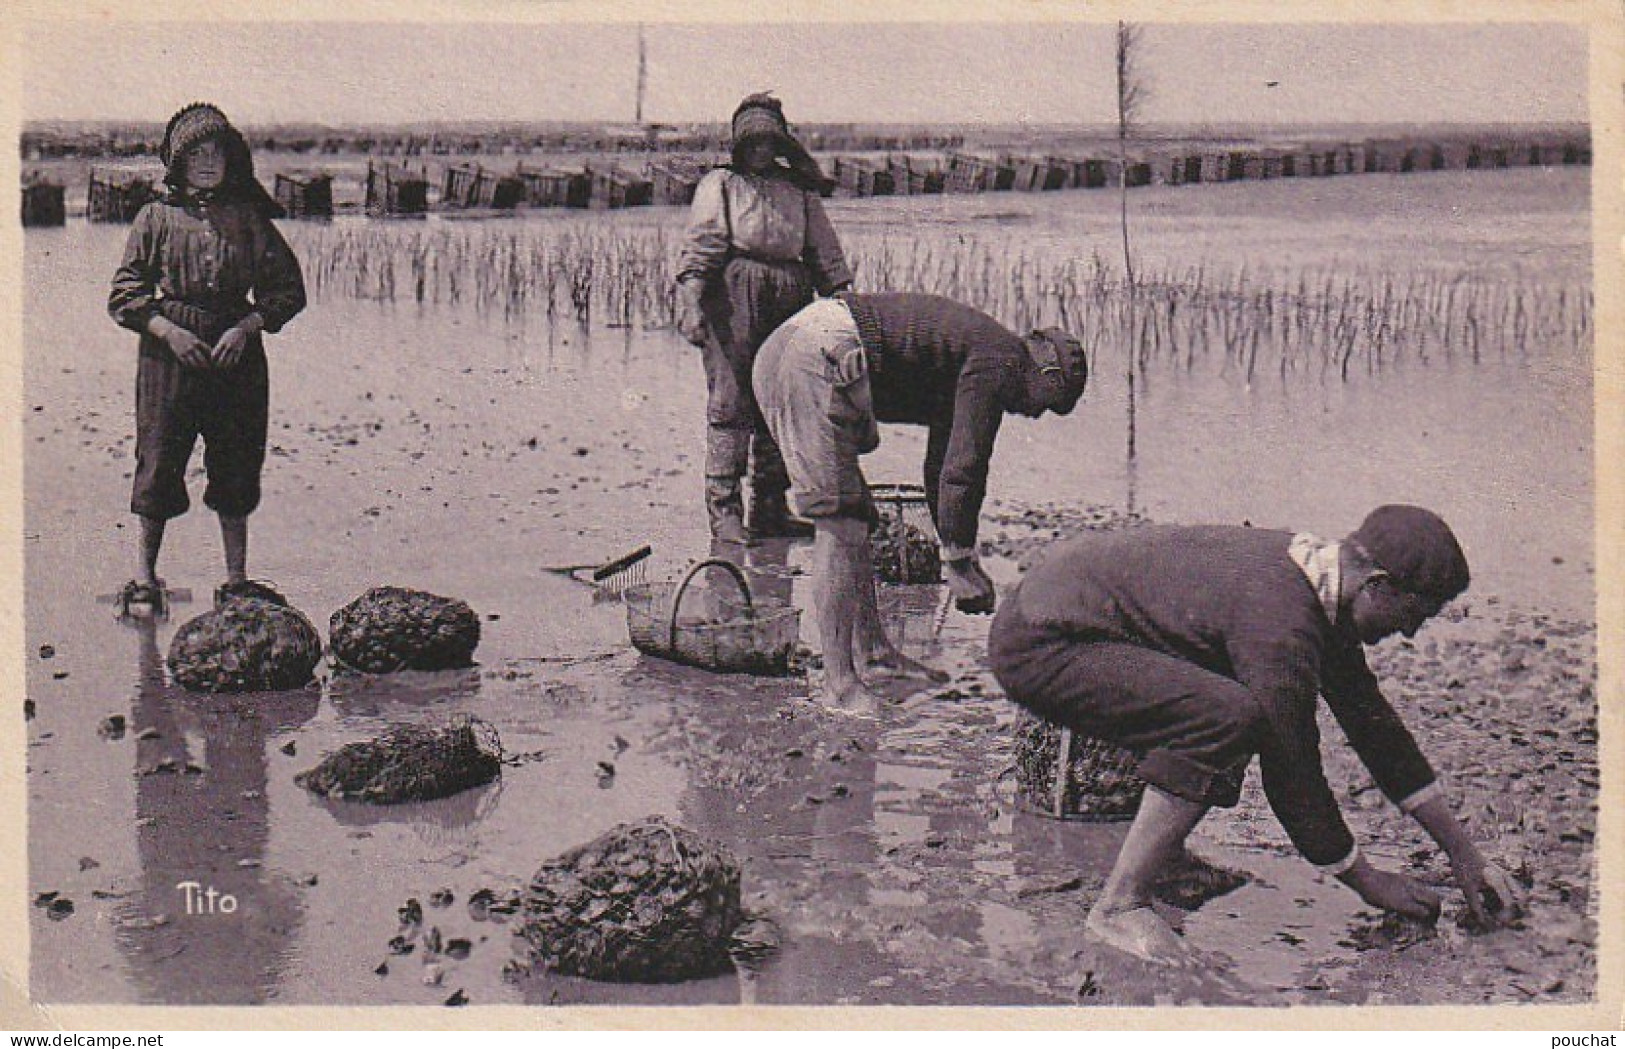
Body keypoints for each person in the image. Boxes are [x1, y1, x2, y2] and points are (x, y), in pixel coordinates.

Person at [987, 506, 1526, 965]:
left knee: (1223, 699)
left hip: (1077, 618)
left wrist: (1464, 855)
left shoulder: (1322, 580)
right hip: (1041, 641)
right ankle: (1119, 907)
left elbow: (1374, 726)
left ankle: (1162, 859)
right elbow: (1292, 773)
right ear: (1378, 586)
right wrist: (1367, 881)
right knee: (1230, 715)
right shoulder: (1283, 621)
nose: (1408, 633)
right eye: (1414, 615)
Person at [753, 292, 1089, 712]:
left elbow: (942, 465)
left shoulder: (979, 354)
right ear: (1049, 372)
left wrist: (958, 553)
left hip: (809, 347)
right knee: (837, 523)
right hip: (815, 356)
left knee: (855, 516)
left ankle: (873, 656)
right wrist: (959, 563)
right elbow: (965, 469)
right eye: (1051, 403)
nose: (1038, 415)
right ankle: (839, 688)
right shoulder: (1002, 358)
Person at [109, 103, 306, 612]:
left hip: (236, 359)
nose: (206, 163)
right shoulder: (155, 218)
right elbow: (125, 294)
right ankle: (145, 579)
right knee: (158, 460)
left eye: (215, 153)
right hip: (168, 360)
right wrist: (168, 332)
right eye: (195, 153)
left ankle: (236, 580)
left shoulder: (249, 218)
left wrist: (247, 326)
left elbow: (287, 289)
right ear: (177, 161)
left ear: (231, 159)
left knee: (237, 463)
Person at [675, 94, 853, 544]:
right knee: (731, 402)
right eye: (751, 143)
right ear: (739, 146)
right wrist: (692, 299)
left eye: (767, 142)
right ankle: (725, 513)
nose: (760, 151)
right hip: (735, 293)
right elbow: (704, 244)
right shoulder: (722, 185)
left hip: (791, 293)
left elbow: (824, 251)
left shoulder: (799, 190)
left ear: (780, 144)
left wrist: (844, 300)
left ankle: (770, 508)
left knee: (784, 398)